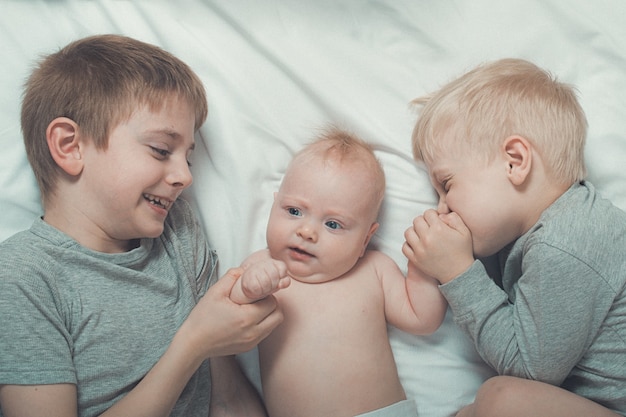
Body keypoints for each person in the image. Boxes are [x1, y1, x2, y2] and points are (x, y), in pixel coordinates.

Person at [0, 34, 283, 417]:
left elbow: (227, 396)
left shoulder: (177, 233)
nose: (184, 176)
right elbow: (199, 345)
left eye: (188, 158)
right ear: (70, 146)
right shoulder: (22, 277)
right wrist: (193, 344)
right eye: (161, 150)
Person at [403, 58, 626, 417]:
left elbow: (531, 371)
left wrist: (458, 273)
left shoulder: (567, 242)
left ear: (514, 161)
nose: (442, 209)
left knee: (501, 398)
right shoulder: (534, 233)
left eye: (446, 185)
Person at [229, 127, 448, 417]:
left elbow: (423, 319)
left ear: (365, 240)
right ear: (274, 205)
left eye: (333, 224)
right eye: (294, 211)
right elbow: (229, 317)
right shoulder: (261, 266)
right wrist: (248, 289)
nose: (306, 231)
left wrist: (423, 264)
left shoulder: (374, 269)